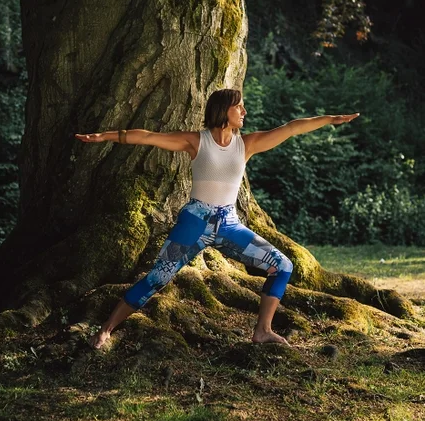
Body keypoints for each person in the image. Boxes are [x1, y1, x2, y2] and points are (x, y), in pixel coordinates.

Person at [75, 89, 359, 349]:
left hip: (229, 225)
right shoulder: (197, 141)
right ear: (225, 110)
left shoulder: (246, 144)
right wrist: (105, 137)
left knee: (282, 265)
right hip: (195, 223)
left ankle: (262, 331)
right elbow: (147, 136)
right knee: (157, 277)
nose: (244, 113)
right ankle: (106, 330)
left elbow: (292, 127)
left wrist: (331, 119)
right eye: (240, 107)